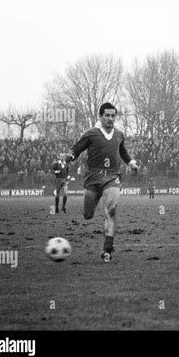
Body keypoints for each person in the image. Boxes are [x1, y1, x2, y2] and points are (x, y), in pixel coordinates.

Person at [65, 103, 139, 262]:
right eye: (107, 115)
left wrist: (131, 163)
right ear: (100, 116)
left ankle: (107, 248)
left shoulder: (119, 134)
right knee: (87, 215)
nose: (110, 119)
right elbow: (77, 148)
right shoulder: (91, 134)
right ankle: (94, 205)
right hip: (93, 177)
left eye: (113, 116)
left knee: (111, 209)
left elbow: (122, 151)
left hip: (112, 176)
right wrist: (71, 156)